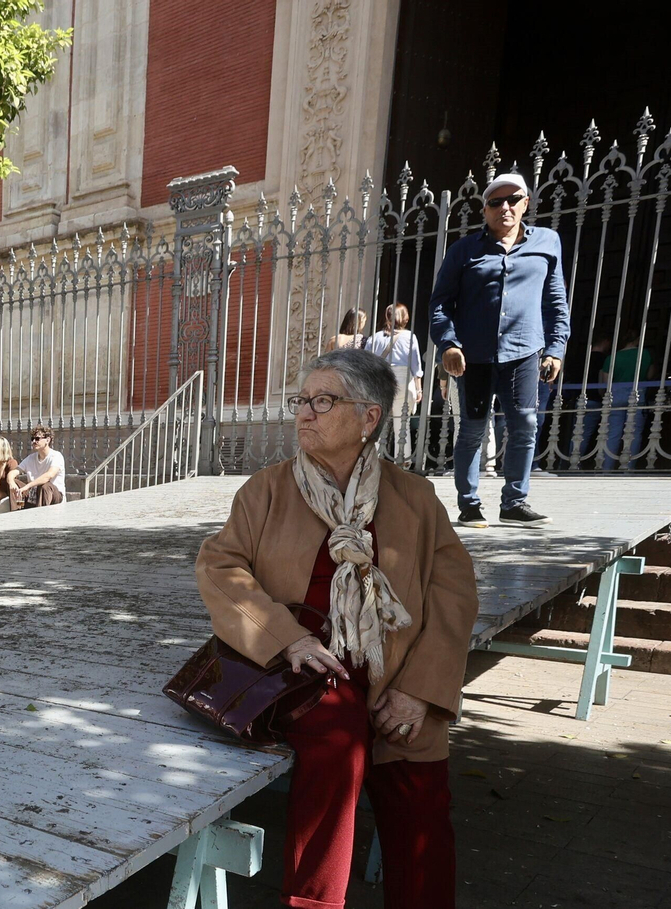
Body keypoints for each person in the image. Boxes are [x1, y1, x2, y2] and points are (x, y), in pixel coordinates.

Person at [196, 348, 479, 909]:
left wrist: (419, 691)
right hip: (300, 670)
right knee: (339, 742)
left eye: (322, 401)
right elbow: (220, 567)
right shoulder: (266, 490)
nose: (304, 413)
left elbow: (454, 596)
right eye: (301, 400)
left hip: (397, 674)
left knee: (421, 801)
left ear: (368, 417)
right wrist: (286, 637)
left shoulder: (416, 499)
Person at [429, 172, 569, 528]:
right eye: (495, 202)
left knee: (524, 424)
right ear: (484, 209)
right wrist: (448, 344)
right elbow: (440, 303)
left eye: (512, 199)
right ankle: (469, 504)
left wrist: (555, 348)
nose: (504, 207)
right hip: (473, 356)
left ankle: (515, 502)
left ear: (525, 204)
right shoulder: (464, 250)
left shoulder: (547, 243)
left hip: (524, 352)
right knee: (473, 430)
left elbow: (556, 302)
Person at [363, 302, 424, 461]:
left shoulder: (375, 338)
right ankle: (402, 459)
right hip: (402, 380)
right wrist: (418, 389)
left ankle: (372, 458)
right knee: (401, 421)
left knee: (377, 421)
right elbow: (415, 365)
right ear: (405, 318)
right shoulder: (410, 337)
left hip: (380, 379)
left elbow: (366, 363)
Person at [597, 323, 658, 470]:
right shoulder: (645, 354)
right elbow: (650, 375)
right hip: (637, 394)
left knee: (612, 434)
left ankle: (606, 468)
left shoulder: (612, 357)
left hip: (615, 395)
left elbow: (606, 382)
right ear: (638, 339)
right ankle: (628, 468)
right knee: (633, 433)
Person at [15, 425, 66, 508]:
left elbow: (48, 476)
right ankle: (16, 511)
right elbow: (14, 471)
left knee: (44, 486)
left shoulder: (56, 456)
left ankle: (42, 517)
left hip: (54, 497)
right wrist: (11, 482)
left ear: (47, 440)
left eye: (37, 439)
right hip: (34, 495)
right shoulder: (30, 458)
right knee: (14, 483)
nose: (34, 441)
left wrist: (27, 486)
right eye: (32, 439)